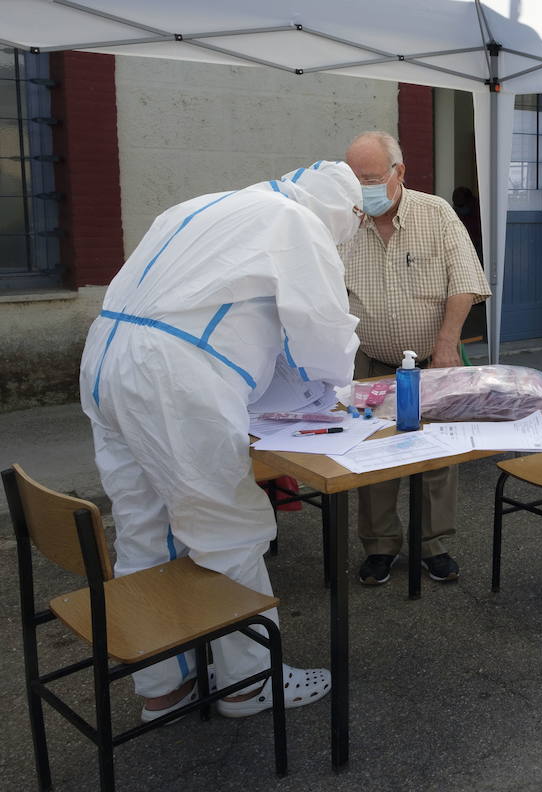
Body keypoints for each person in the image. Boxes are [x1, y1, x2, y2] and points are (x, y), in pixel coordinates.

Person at [78, 161, 361, 721]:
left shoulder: (200, 205)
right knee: (228, 529)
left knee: (145, 527)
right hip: (173, 377)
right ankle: (249, 683)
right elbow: (322, 333)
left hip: (106, 360)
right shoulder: (295, 222)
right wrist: (332, 389)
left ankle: (164, 687)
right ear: (342, 212)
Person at [343, 131, 491, 585]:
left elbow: (464, 280)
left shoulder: (436, 213)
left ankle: (434, 545)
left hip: (432, 360)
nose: (362, 189)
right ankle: (380, 546)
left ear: (399, 172)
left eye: (371, 179)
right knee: (374, 454)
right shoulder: (342, 222)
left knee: (437, 457)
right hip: (371, 361)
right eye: (353, 179)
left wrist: (448, 343)